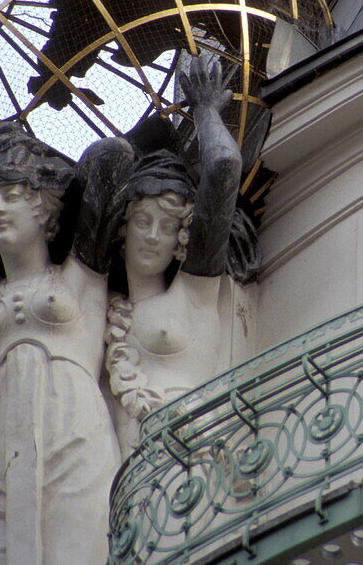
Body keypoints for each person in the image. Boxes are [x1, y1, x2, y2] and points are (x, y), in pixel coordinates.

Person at [0, 120, 133, 564]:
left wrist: (33, 158)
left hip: (70, 429)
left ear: (43, 208)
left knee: (84, 545)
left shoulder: (81, 275)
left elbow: (113, 156)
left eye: (12, 195)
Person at [105, 53, 242, 447]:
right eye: (143, 222)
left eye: (167, 228)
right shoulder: (102, 305)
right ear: (122, 230)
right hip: (128, 467)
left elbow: (224, 168)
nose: (151, 236)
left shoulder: (193, 291)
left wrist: (205, 108)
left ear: (181, 239)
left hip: (191, 451)